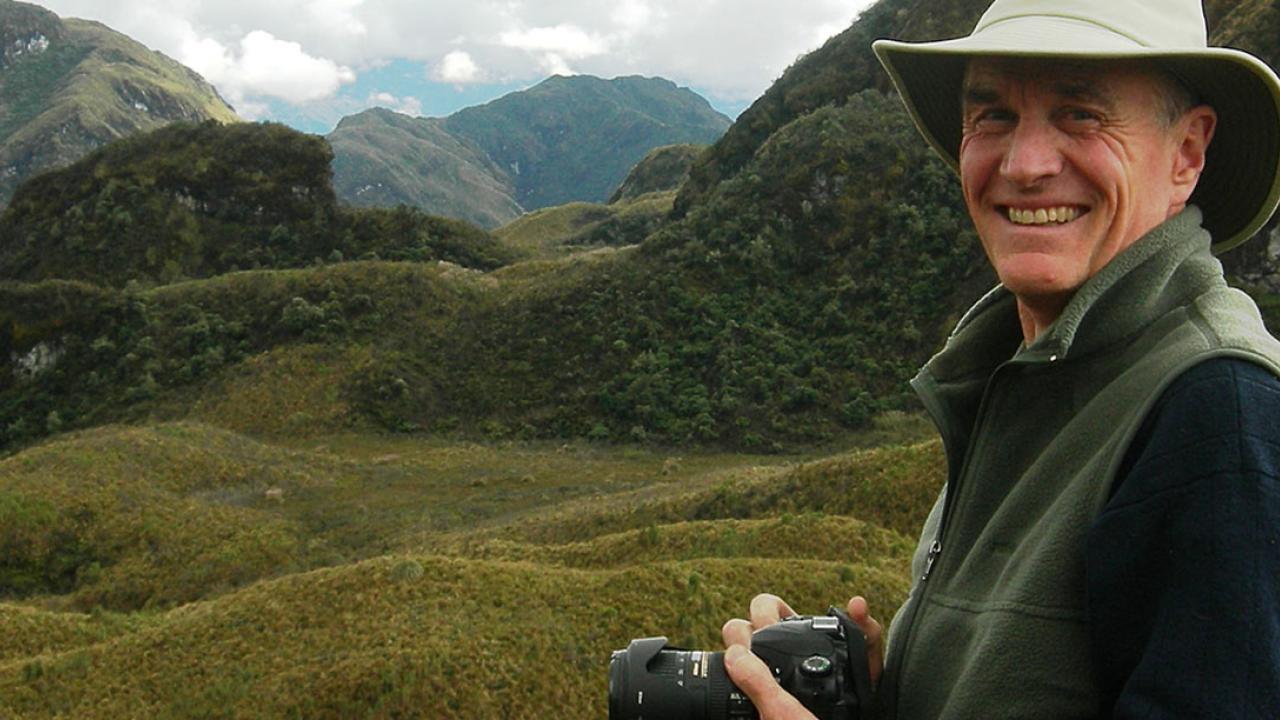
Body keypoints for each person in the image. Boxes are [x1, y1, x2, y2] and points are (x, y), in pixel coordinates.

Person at [721, 0, 1280, 717]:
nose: (1024, 166)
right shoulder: (1027, 376)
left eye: (1081, 114)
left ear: (1187, 153)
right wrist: (879, 691)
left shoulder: (1219, 417)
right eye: (993, 117)